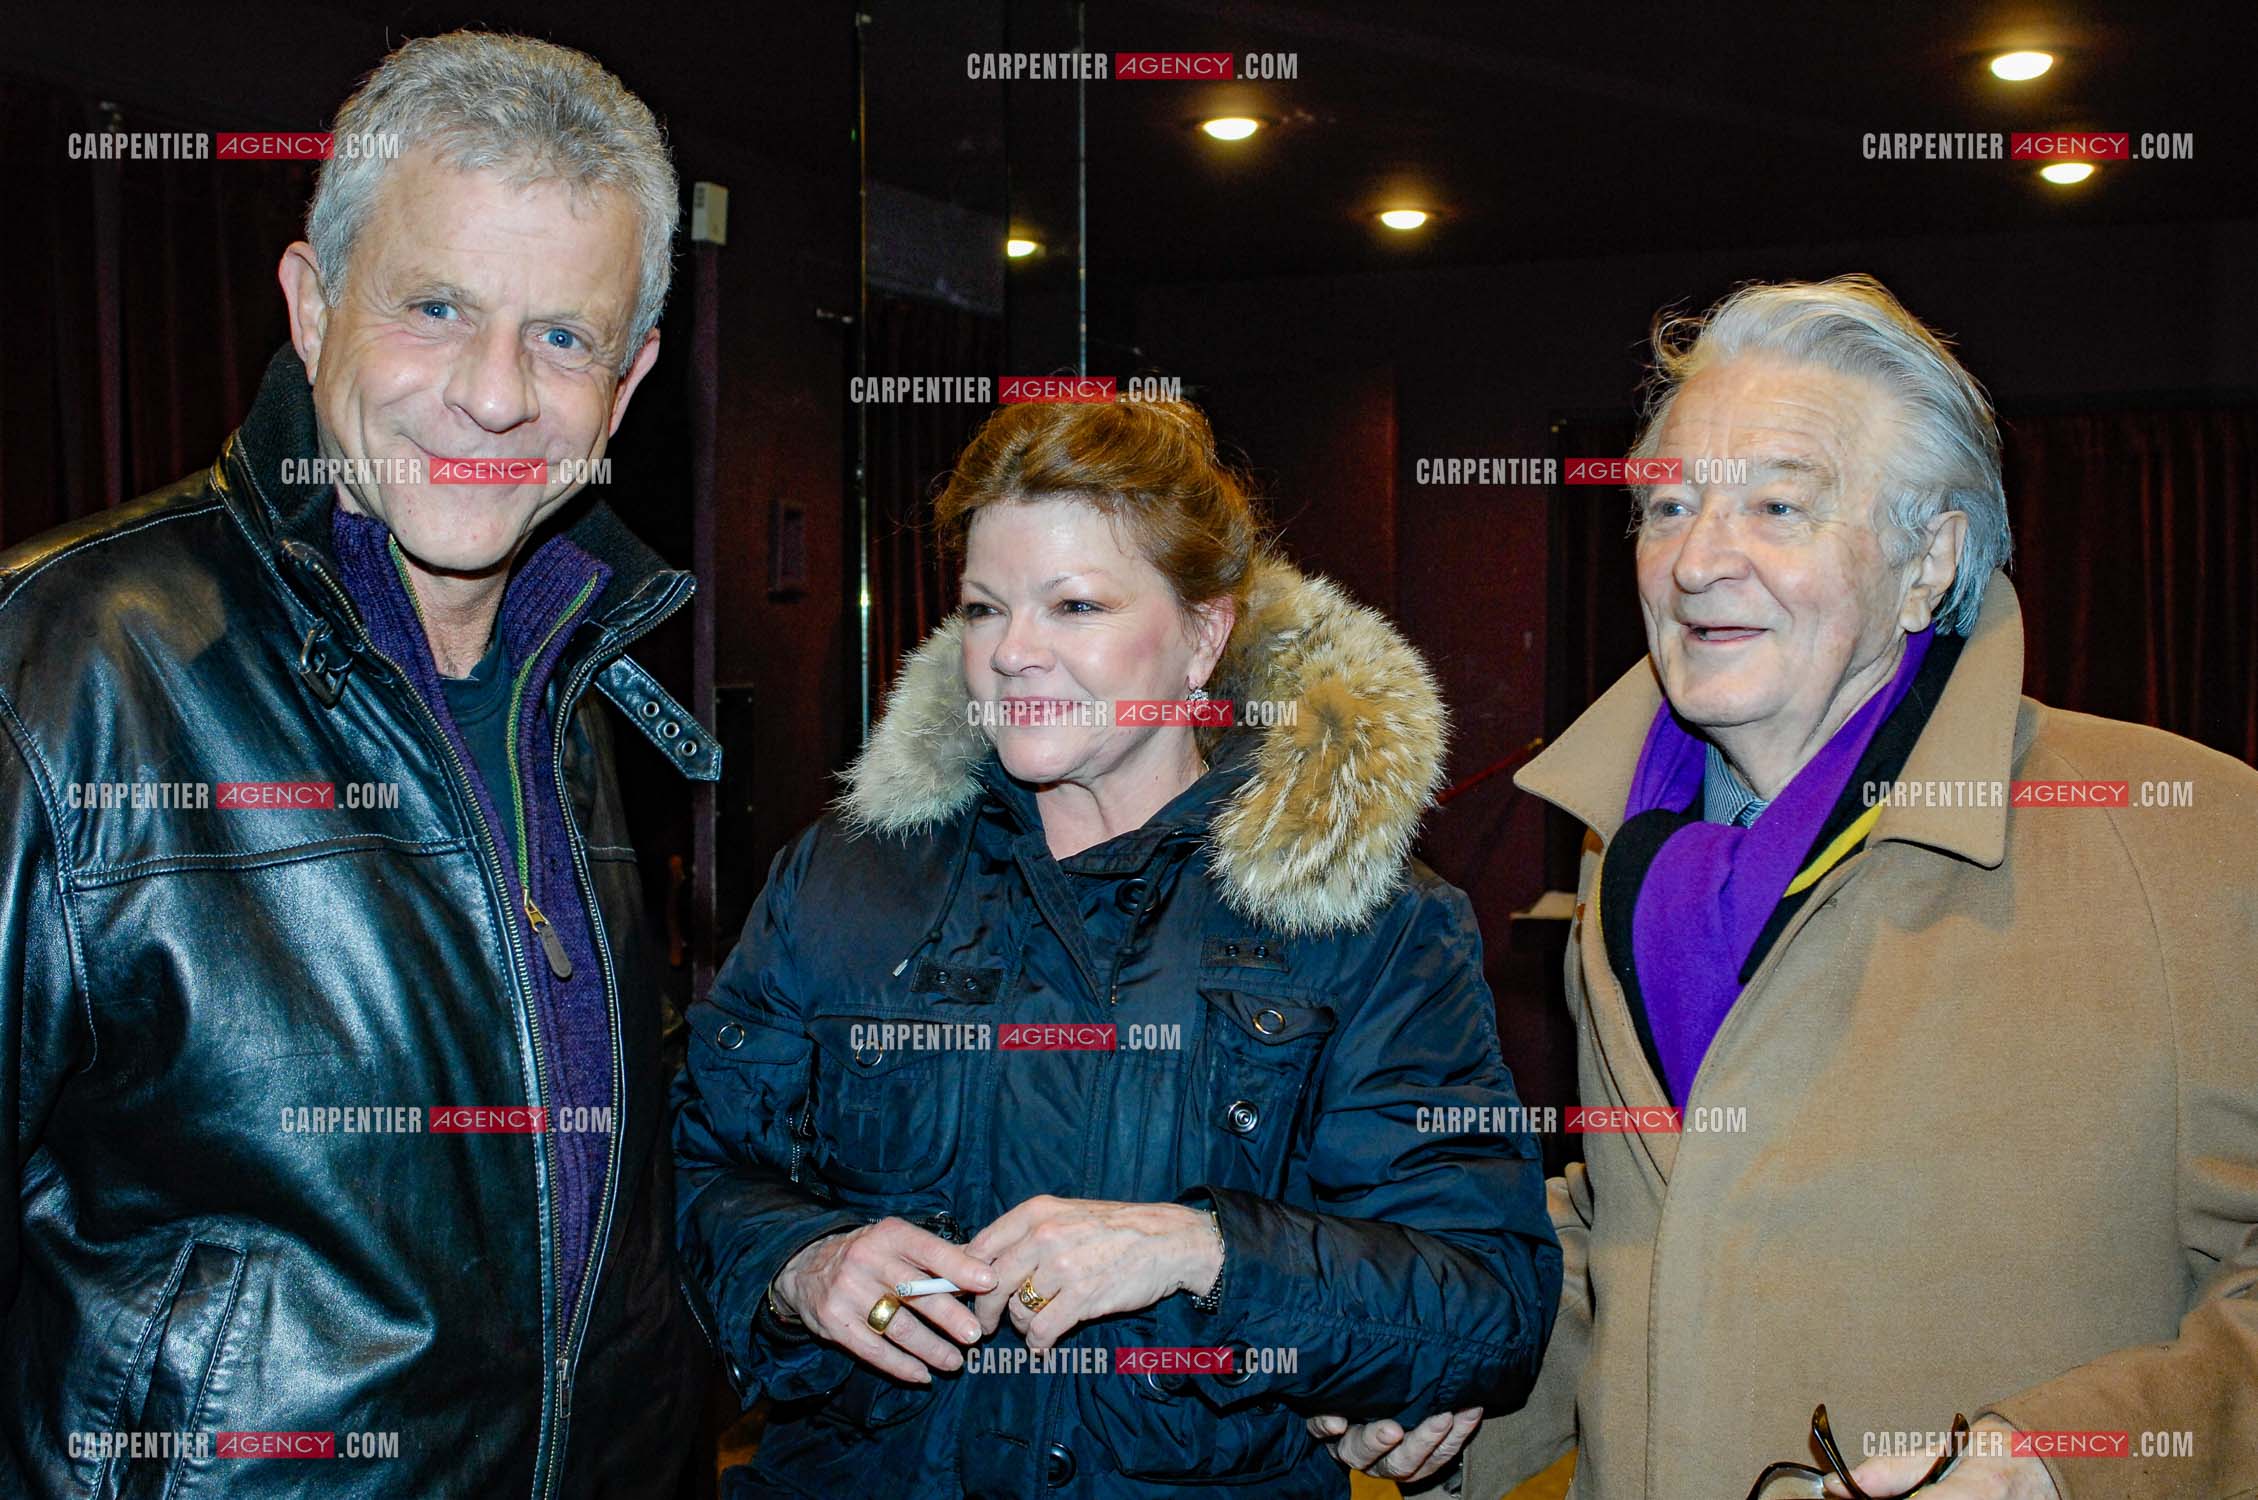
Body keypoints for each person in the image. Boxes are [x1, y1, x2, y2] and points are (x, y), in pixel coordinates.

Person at [1327, 274, 2258, 1499]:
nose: (1700, 563)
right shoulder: (1626, 844)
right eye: (1665, 509)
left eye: (1777, 506)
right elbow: (1646, 1230)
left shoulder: (2179, 836)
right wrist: (1445, 1376)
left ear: (1928, 558)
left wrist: (2055, 1467)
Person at [0, 32, 714, 1496]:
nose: (497, 394)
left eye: (563, 337)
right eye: (435, 306)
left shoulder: (569, 688)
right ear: (311, 306)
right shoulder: (58, 668)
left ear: (628, 384)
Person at [673, 395, 1562, 1497]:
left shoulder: (1359, 921)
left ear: (1202, 633)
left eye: (1075, 605)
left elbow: (1485, 1304)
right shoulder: (849, 877)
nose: (1013, 655)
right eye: (984, 609)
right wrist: (799, 1267)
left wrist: (1202, 1253)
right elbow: (697, 1169)